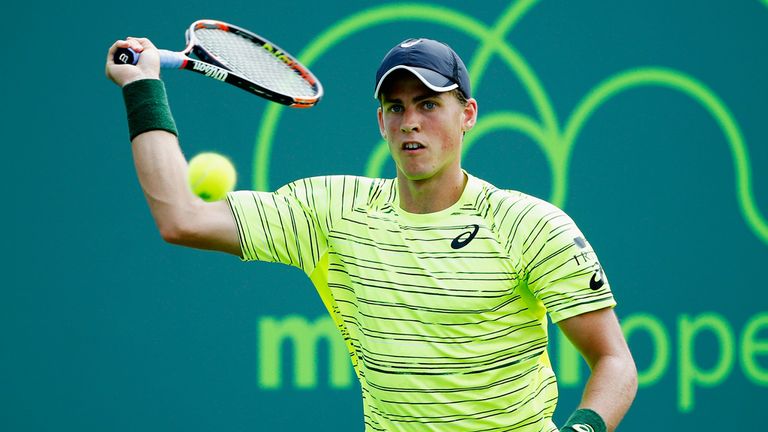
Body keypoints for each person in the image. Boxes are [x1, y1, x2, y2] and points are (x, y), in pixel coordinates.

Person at [106, 35, 637, 432]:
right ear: (380, 122)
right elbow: (181, 217)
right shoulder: (332, 212)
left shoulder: (530, 225)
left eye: (429, 104)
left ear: (468, 115)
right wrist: (143, 87)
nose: (410, 121)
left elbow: (614, 361)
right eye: (396, 107)